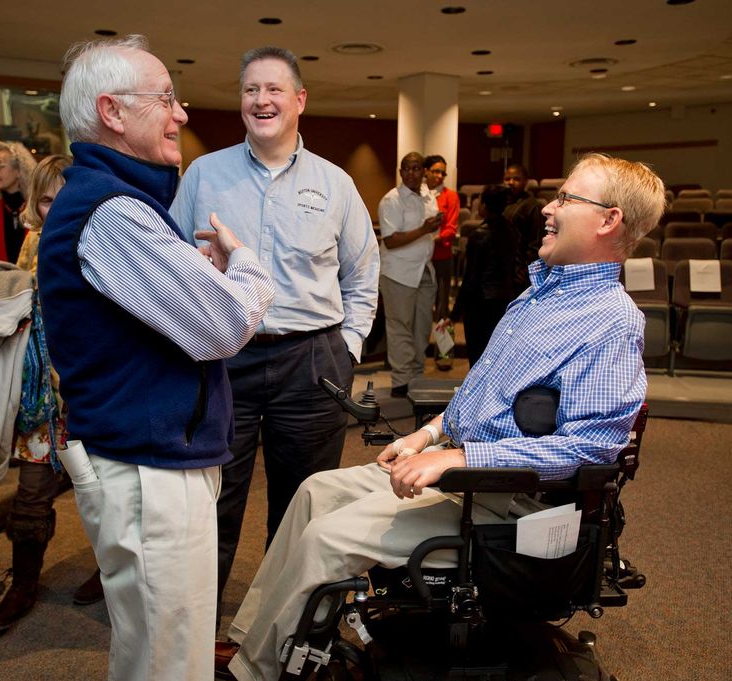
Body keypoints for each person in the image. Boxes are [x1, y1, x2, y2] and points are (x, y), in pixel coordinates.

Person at [219, 153, 666, 681]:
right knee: (314, 491)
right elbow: (478, 393)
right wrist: (428, 435)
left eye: (567, 198)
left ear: (608, 220)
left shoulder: (611, 323)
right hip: (462, 470)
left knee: (329, 538)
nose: (549, 207)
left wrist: (458, 456)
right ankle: (259, 642)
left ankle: (257, 671)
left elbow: (591, 449)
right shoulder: (539, 295)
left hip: (509, 501)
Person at [36, 35, 274, 681]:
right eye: (166, 98)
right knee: (170, 660)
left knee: (155, 650)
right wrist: (245, 264)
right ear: (112, 111)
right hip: (148, 472)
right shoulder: (111, 210)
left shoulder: (117, 202)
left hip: (150, 460)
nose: (182, 114)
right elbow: (223, 324)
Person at [169, 46, 379, 607]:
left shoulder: (335, 184)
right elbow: (165, 262)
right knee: (211, 496)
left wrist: (348, 347)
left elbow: (363, 272)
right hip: (221, 358)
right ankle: (197, 624)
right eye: (250, 90)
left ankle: (279, 624)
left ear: (299, 100)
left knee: (303, 502)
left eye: (273, 90)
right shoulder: (202, 176)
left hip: (311, 362)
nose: (261, 101)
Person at [0, 154, 104, 633]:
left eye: (63, 199)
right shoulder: (31, 244)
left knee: (108, 495)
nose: (55, 209)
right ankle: (23, 587)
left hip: (95, 392)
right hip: (42, 398)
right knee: (30, 498)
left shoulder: (106, 237)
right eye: (46, 200)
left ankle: (108, 570)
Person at [378, 151, 442, 397]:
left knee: (422, 326)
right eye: (407, 168)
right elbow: (391, 240)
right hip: (398, 272)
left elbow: (430, 233)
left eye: (416, 168)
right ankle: (401, 380)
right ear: (401, 171)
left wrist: (432, 229)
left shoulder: (428, 197)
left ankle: (417, 376)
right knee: (400, 326)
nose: (412, 173)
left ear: (423, 171)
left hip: (424, 270)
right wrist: (424, 229)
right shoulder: (391, 200)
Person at [449, 185, 523, 365]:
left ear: (485, 205)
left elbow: (470, 279)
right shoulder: (512, 231)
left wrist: (455, 314)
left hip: (480, 304)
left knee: (478, 355)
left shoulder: (479, 235)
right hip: (505, 300)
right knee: (497, 355)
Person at [423, 154, 459, 323]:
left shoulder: (450, 196)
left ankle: (441, 348)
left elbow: (451, 229)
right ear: (426, 172)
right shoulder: (418, 194)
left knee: (442, 304)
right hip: (420, 256)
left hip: (441, 255)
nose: (439, 176)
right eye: (435, 171)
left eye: (442, 173)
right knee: (422, 302)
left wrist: (430, 239)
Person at [503, 163, 546, 273]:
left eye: (516, 179)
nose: (511, 182)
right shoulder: (501, 203)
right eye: (507, 179)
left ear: (525, 181)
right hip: (503, 265)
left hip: (520, 268)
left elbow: (535, 243)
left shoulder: (533, 205)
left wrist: (526, 269)